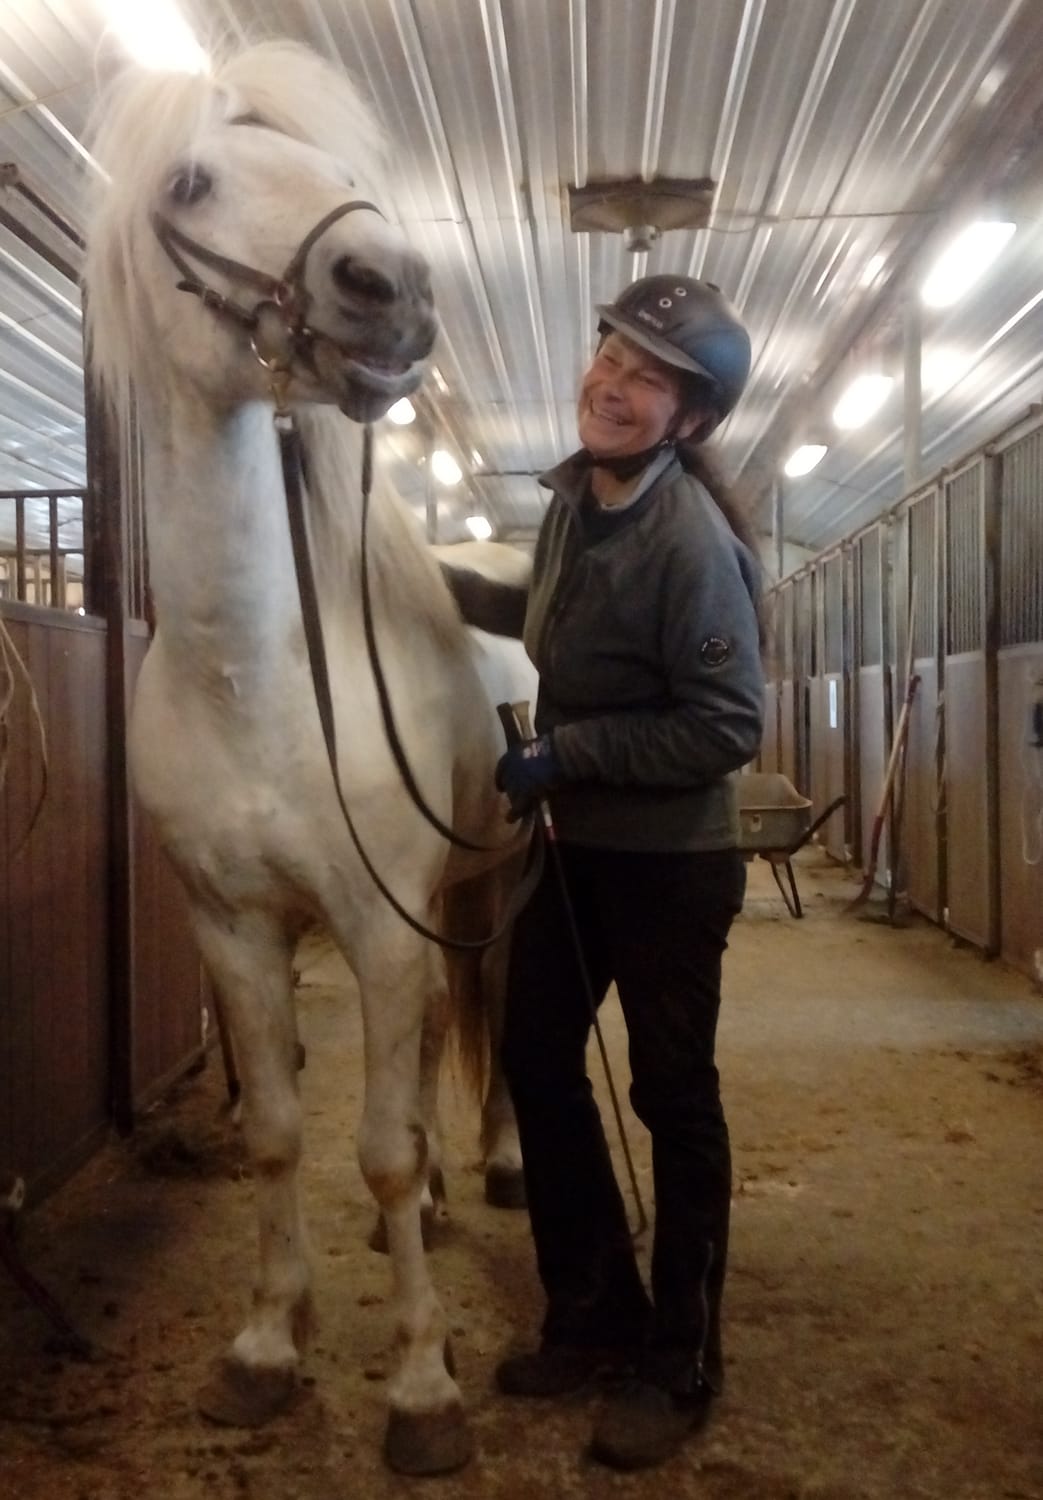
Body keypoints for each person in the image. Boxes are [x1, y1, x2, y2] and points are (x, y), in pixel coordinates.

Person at [447, 273, 765, 1473]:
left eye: (649, 379)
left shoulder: (691, 543)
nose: (614, 384)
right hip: (575, 855)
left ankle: (678, 1356)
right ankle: (590, 1307)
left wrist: (567, 752)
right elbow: (545, 610)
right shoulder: (576, 501)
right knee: (534, 1058)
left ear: (686, 419)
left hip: (670, 870)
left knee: (670, 1099)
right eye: (610, 355)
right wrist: (426, 583)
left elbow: (723, 724)